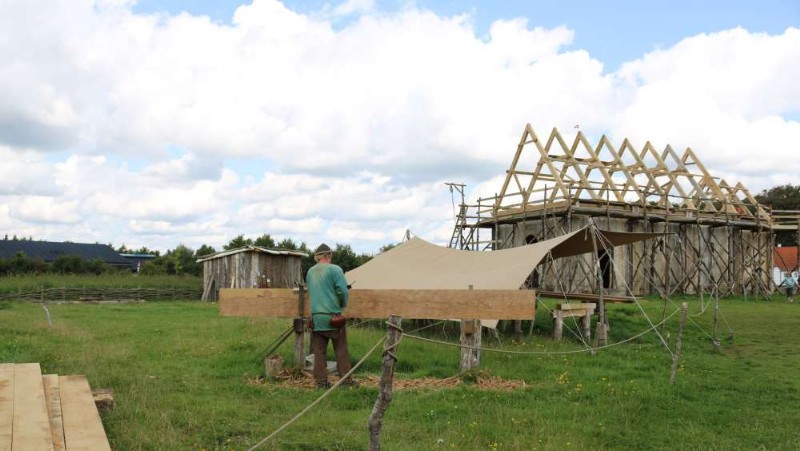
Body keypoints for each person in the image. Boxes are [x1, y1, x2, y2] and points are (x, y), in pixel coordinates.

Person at [307, 243, 357, 389]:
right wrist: (342, 304)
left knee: (319, 352)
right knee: (341, 350)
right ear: (328, 255)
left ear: (318, 257)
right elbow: (342, 291)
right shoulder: (335, 269)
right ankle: (346, 382)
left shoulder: (310, 271)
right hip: (333, 317)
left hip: (316, 318)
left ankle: (321, 383)